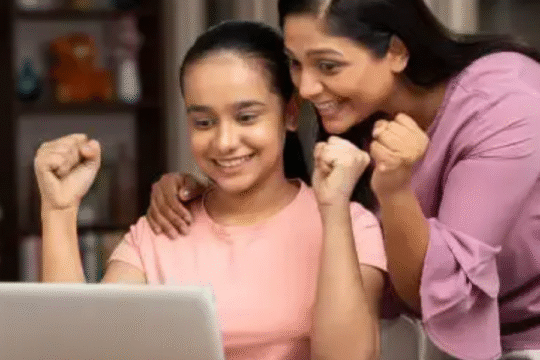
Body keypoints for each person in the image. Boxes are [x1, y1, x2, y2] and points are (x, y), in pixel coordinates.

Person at [146, 1, 540, 359]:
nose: (306, 87)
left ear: (397, 52)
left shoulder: (507, 104)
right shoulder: (361, 113)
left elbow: (439, 294)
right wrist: (204, 193)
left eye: (328, 65)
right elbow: (304, 214)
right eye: (296, 64)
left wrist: (395, 192)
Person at [34, 20, 387, 360]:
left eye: (247, 117)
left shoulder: (351, 225)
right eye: (204, 122)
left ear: (290, 114)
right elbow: (80, 350)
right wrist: (59, 211)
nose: (224, 142)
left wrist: (334, 208)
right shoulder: (161, 229)